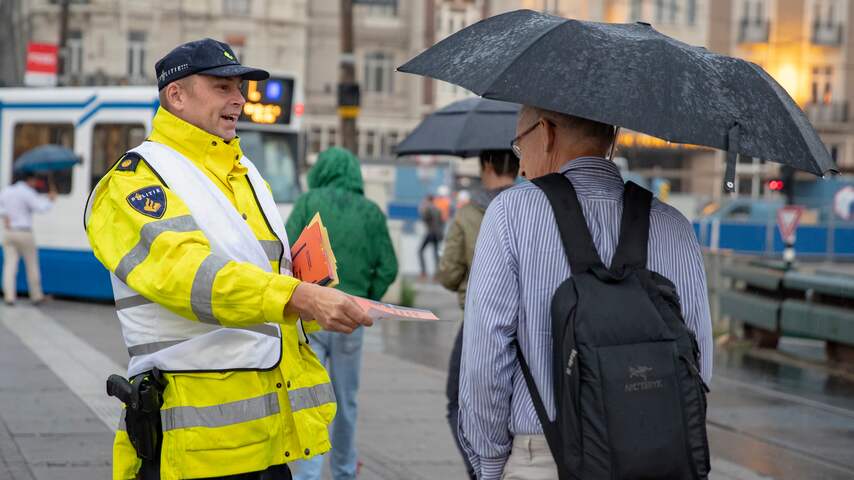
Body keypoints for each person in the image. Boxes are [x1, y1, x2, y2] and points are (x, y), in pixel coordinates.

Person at [85, 38, 373, 480]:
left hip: (269, 444)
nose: (239, 99)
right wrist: (299, 296)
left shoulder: (247, 173)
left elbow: (267, 280)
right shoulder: (136, 181)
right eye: (222, 86)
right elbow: (188, 277)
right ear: (175, 95)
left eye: (241, 87)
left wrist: (315, 297)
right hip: (195, 451)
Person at [457, 105, 713, 479]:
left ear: (546, 133)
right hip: (659, 460)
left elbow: (485, 360)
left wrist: (490, 462)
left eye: (518, 147)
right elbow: (700, 362)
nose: (522, 167)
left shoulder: (510, 215)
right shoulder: (675, 226)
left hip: (545, 456)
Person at [286, 147, 398, 480]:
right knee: (346, 401)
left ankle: (307, 472)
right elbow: (388, 267)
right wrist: (366, 300)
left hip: (312, 315)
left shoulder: (308, 203)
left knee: (311, 400)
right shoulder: (371, 212)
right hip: (352, 317)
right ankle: (345, 471)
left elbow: (285, 251)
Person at [437, 150, 518, 480]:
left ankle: (481, 469)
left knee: (456, 402)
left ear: (487, 166)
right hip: (527, 323)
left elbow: (447, 274)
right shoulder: (531, 206)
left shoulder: (469, 214)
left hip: (477, 321)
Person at [0, 172, 56, 306]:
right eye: (34, 180)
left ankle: (9, 297)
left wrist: (5, 216)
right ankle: (36, 296)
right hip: (24, 232)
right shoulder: (27, 192)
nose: (35, 183)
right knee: (32, 265)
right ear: (29, 180)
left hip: (8, 233)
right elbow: (41, 208)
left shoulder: (7, 191)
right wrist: (50, 200)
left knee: (9, 265)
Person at [418, 194, 444, 278]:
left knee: (420, 251)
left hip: (430, 233)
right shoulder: (438, 209)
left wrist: (422, 209)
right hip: (437, 234)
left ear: (428, 200)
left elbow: (424, 218)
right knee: (435, 254)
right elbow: (442, 223)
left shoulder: (428, 209)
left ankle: (423, 272)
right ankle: (437, 274)